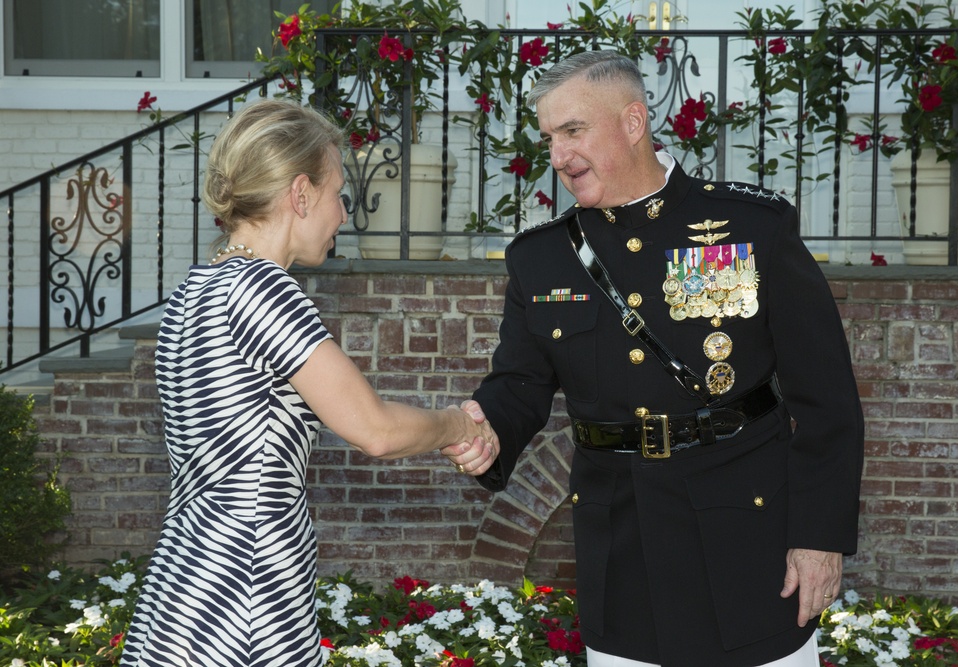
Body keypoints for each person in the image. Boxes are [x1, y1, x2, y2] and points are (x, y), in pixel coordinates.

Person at [457, 50, 864, 667]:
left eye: (573, 131)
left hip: (749, 550)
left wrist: (820, 539)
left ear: (633, 122)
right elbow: (518, 384)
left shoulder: (751, 227)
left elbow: (825, 397)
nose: (560, 157)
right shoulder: (542, 259)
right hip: (622, 555)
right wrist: (483, 428)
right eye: (549, 138)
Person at [120, 99, 497, 667]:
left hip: (181, 589)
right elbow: (374, 430)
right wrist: (455, 424)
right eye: (337, 193)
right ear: (299, 194)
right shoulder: (264, 292)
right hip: (247, 596)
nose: (344, 213)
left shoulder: (193, 292)